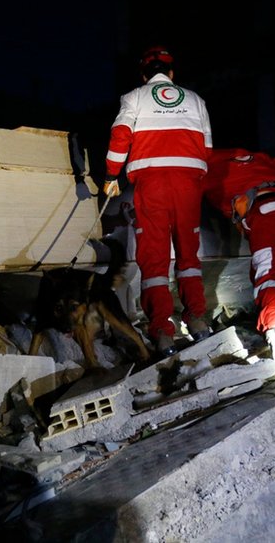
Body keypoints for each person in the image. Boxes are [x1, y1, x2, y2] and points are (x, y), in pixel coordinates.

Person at [102, 45, 213, 358]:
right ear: (172, 73)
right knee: (188, 254)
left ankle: (164, 333)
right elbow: (206, 149)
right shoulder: (196, 100)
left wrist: (111, 176)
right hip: (188, 182)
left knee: (154, 257)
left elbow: (120, 135)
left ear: (143, 74)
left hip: (151, 182)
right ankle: (198, 320)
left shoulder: (134, 97)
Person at [203, 148, 275, 366]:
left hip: (266, 213)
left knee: (267, 278)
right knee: (266, 274)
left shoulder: (204, 168)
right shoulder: (256, 157)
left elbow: (185, 195)